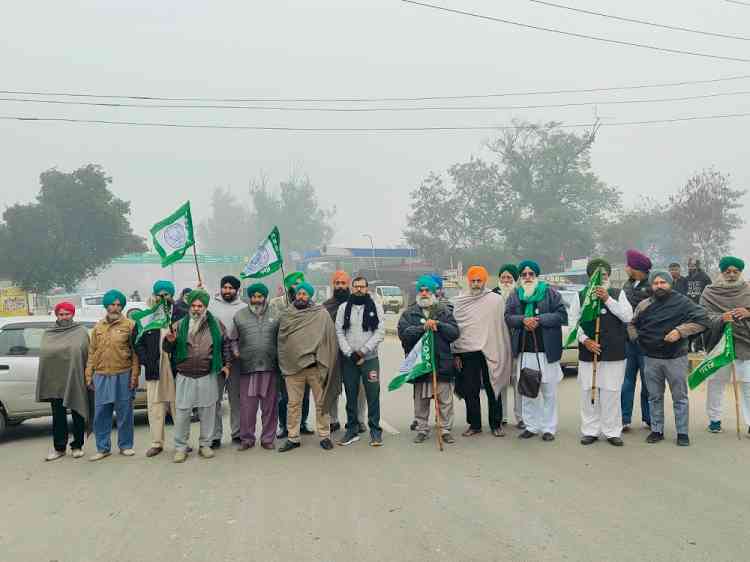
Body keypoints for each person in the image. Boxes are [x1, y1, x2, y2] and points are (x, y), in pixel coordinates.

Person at [629, 271, 709, 446]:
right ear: (651, 285)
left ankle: (682, 433)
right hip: (650, 358)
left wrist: (680, 331)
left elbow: (704, 319)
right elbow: (632, 324)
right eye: (655, 283)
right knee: (654, 396)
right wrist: (638, 340)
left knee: (679, 397)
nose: (659, 286)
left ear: (670, 283)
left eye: (663, 282)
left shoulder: (683, 302)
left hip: (675, 357)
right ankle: (656, 430)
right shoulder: (644, 305)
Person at [164, 289, 232, 462]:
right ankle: (180, 447)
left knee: (208, 411)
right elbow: (167, 350)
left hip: (207, 374)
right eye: (193, 305)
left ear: (205, 307)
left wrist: (227, 365)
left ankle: (205, 445)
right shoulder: (179, 325)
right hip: (184, 375)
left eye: (199, 306)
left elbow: (225, 345)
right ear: (189, 307)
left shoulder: (216, 324)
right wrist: (168, 342)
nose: (196, 309)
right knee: (182, 413)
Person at [505, 261, 568, 442]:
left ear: (536, 275)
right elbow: (508, 317)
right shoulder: (515, 295)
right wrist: (524, 320)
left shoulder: (551, 293)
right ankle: (531, 426)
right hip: (525, 352)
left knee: (549, 392)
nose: (527, 277)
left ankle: (549, 428)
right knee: (527, 391)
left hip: (546, 351)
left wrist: (539, 319)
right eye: (524, 274)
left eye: (530, 274)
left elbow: (561, 316)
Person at [277, 282, 340, 453]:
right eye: (299, 293)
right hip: (293, 369)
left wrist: (322, 358)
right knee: (293, 404)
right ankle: (293, 437)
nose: (301, 296)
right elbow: (282, 341)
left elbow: (329, 338)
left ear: (310, 296)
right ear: (295, 295)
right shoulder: (287, 315)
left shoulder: (320, 314)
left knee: (321, 403)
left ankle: (325, 435)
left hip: (315, 367)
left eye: (305, 294)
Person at [397, 275, 460, 444]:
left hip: (441, 363)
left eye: (427, 290)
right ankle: (422, 429)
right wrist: (422, 327)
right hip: (420, 364)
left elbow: (454, 333)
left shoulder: (444, 311)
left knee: (445, 400)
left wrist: (438, 325)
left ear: (434, 293)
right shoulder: (409, 313)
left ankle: (445, 429)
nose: (424, 293)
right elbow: (404, 334)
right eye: (421, 290)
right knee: (421, 400)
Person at [577, 259, 633, 447]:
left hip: (614, 352)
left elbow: (627, 316)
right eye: (597, 276)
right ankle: (590, 430)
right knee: (588, 392)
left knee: (611, 392)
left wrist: (607, 299)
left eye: (604, 275)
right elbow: (572, 323)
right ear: (590, 278)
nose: (602, 278)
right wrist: (585, 340)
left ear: (608, 276)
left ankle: (611, 431)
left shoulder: (618, 294)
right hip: (588, 351)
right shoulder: (580, 296)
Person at [451, 265, 513, 438]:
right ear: (468, 281)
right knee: (470, 389)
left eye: (479, 280)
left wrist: (502, 349)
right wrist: (456, 353)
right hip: (467, 350)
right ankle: (474, 425)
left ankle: (496, 424)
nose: (476, 284)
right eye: (473, 281)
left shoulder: (496, 300)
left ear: (485, 281)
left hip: (492, 349)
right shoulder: (460, 301)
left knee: (493, 387)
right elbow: (457, 328)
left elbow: (501, 327)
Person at [85, 290, 140, 461]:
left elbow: (135, 354)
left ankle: (126, 446)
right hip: (101, 375)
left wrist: (134, 376)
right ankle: (103, 448)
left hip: (123, 373)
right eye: (112, 304)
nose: (115, 308)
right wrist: (89, 375)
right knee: (101, 413)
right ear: (106, 306)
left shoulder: (130, 325)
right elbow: (92, 352)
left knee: (124, 413)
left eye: (118, 305)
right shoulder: (97, 327)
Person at [700, 257, 750, 434]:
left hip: (745, 345)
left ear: (740, 272)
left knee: (748, 384)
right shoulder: (710, 292)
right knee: (716, 383)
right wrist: (721, 318)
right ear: (720, 273)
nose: (731, 275)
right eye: (727, 271)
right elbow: (703, 315)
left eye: (735, 271)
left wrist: (747, 312)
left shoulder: (748, 289)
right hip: (719, 342)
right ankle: (715, 420)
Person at [35, 302, 91, 461]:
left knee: (77, 412)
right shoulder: (49, 333)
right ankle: (59, 448)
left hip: (75, 379)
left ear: (73, 314)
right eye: (61, 314)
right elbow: (45, 355)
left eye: (67, 314)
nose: (64, 317)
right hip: (55, 381)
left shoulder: (80, 332)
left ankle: (77, 446)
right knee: (58, 415)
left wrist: (88, 376)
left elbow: (86, 354)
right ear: (56, 315)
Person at [335, 275, 386, 447]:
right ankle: (351, 429)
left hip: (369, 358)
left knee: (372, 394)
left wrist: (363, 351)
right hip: (350, 359)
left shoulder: (375, 306)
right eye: (356, 286)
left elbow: (380, 332)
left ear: (367, 288)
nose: (358, 289)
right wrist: (350, 353)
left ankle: (375, 431)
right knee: (351, 395)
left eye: (362, 287)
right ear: (352, 287)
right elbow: (339, 332)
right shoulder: (344, 308)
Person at [232, 283, 280, 450]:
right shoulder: (240, 315)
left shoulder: (276, 314)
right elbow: (233, 340)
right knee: (248, 407)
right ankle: (247, 439)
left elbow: (282, 339)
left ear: (265, 297)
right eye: (254, 296)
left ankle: (267, 439)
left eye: (260, 296)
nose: (257, 300)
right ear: (249, 297)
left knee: (270, 406)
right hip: (247, 368)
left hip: (270, 367)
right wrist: (237, 353)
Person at [134, 280, 177, 458]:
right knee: (155, 406)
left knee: (178, 406)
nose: (163, 297)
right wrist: (146, 361)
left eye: (166, 294)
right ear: (154, 295)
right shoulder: (146, 317)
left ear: (172, 296)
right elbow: (137, 343)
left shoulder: (179, 314)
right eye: (160, 294)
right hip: (154, 368)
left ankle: (182, 442)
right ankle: (156, 443)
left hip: (174, 367)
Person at [323, 270, 366, 434]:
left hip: (354, 354)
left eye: (343, 283)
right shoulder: (326, 307)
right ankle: (333, 420)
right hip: (333, 354)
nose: (340, 286)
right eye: (337, 283)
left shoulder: (358, 304)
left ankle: (359, 419)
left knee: (358, 389)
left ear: (349, 285)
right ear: (332, 285)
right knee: (332, 388)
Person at [207, 275, 244, 448]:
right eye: (225, 287)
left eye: (231, 288)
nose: (227, 291)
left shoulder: (244, 307)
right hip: (216, 359)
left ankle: (237, 432)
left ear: (237, 290)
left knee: (236, 398)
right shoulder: (211, 305)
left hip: (236, 360)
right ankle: (215, 435)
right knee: (215, 398)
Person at [274, 271, 312, 437]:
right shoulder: (276, 304)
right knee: (284, 396)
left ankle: (302, 423)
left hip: (305, 358)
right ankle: (283, 425)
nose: (298, 289)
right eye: (294, 285)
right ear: (289, 288)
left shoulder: (311, 305)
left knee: (304, 395)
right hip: (285, 357)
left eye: (300, 285)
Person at [621, 249, 653, 432]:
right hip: (627, 341)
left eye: (628, 265)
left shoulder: (650, 286)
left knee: (647, 382)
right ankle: (624, 418)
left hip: (645, 341)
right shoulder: (628, 284)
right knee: (626, 381)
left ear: (636, 268)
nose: (626, 268)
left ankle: (648, 418)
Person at [493, 263, 524, 428]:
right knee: (501, 382)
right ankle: (502, 416)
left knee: (518, 381)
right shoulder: (492, 295)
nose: (505, 281)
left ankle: (520, 417)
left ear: (515, 279)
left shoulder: (522, 294)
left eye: (509, 278)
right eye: (503, 278)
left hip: (517, 344)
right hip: (498, 345)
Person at [686, 258, 713, 352]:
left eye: (693, 265)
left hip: (701, 306)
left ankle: (700, 346)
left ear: (698, 266)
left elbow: (710, 289)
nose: (691, 267)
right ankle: (689, 347)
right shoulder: (687, 278)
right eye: (689, 265)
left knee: (702, 326)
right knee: (689, 327)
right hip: (689, 307)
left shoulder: (704, 277)